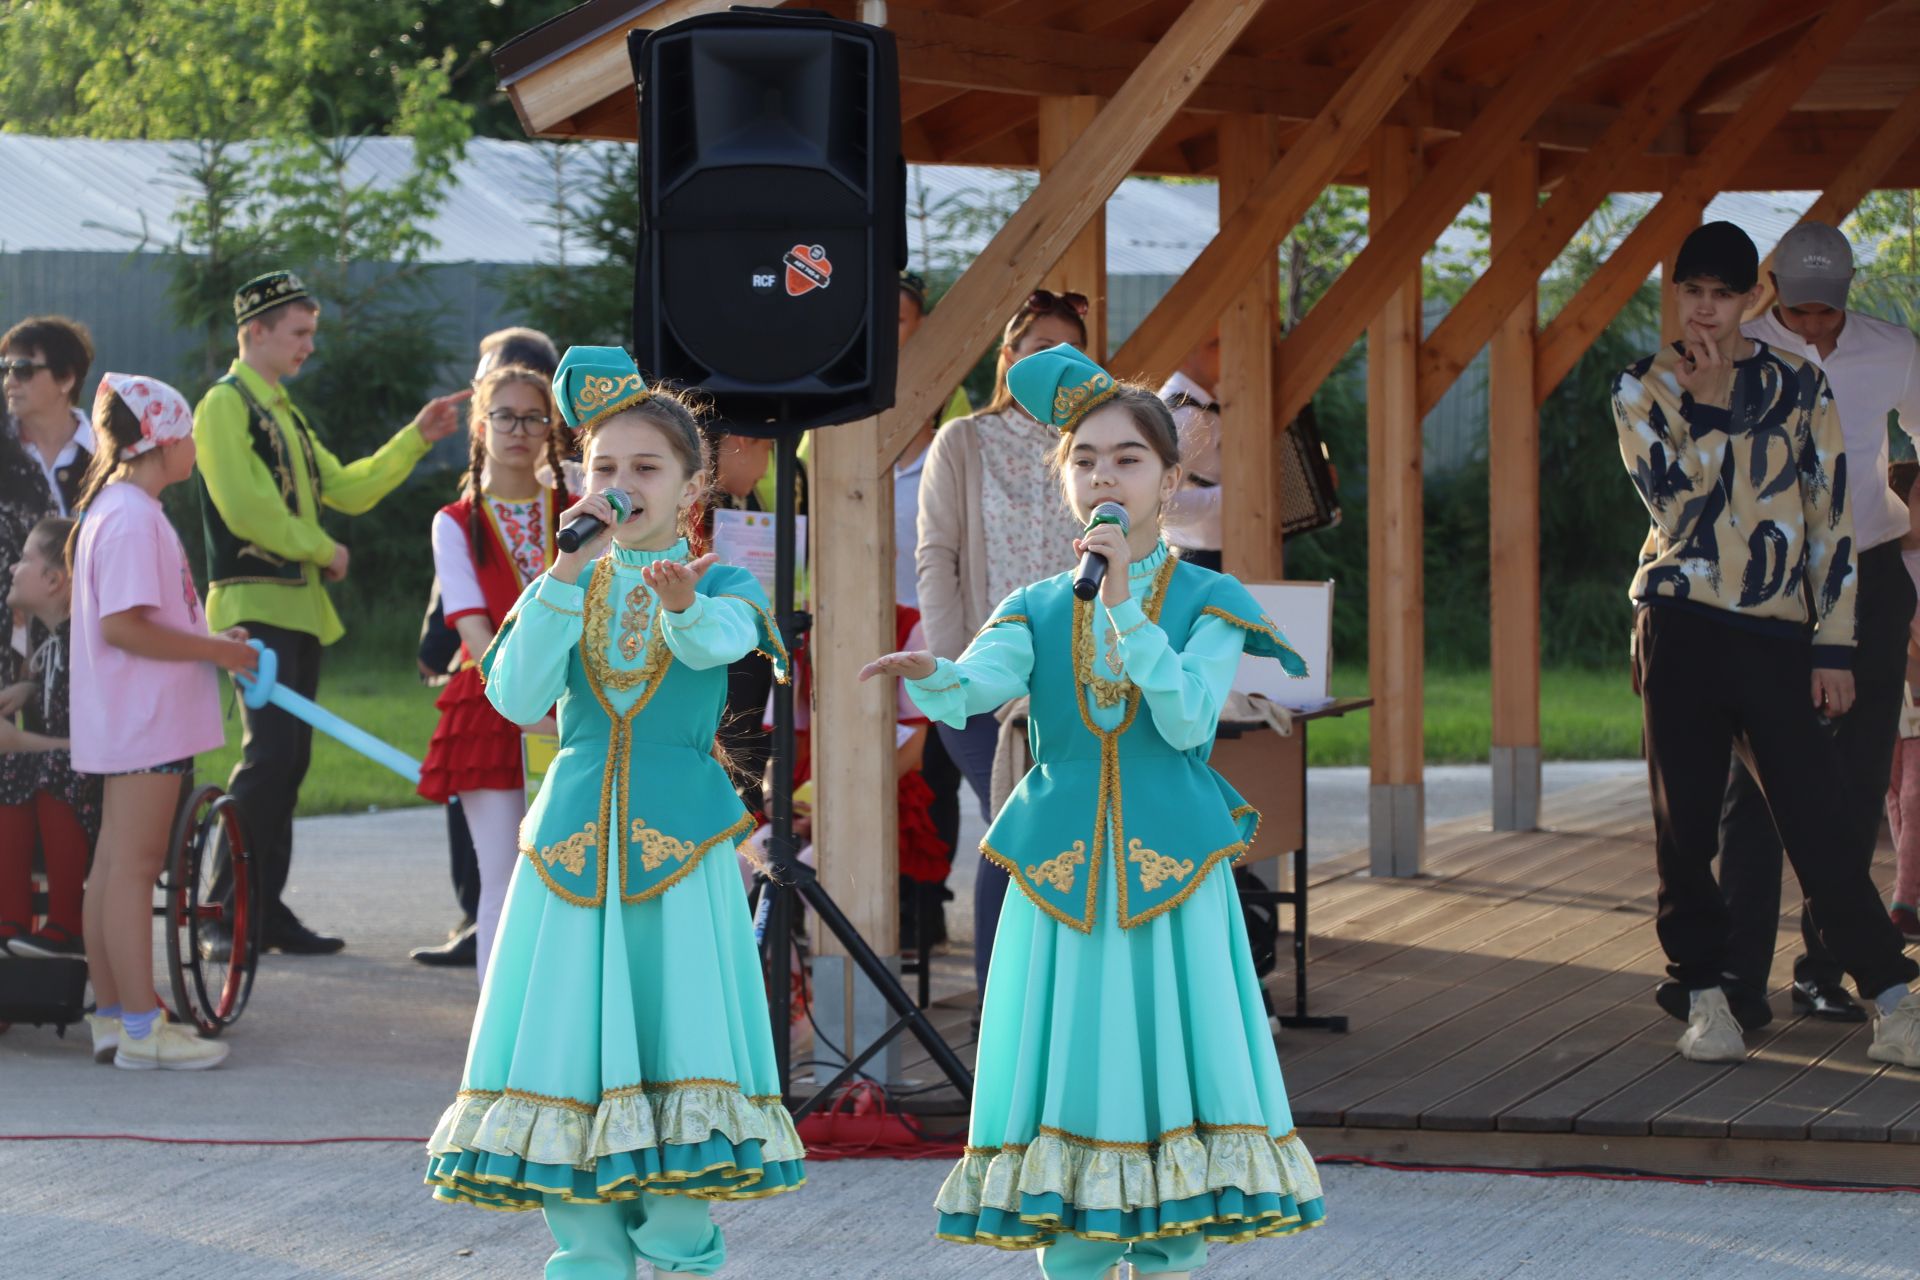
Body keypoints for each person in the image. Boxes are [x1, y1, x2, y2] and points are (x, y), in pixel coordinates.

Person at [866, 344, 1325, 1276]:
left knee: (1167, 1076)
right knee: (1066, 1076)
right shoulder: (1037, 603)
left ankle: (1164, 1248)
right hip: (1064, 879)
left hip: (1169, 878)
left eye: (1126, 458)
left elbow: (1190, 711)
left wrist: (1123, 607)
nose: (1103, 475)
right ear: (1062, 480)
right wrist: (939, 676)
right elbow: (985, 679)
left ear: (1169, 477)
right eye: (1084, 458)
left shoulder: (1206, 597)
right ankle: (1072, 1251)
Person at [425, 347, 804, 1276]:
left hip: (679, 848)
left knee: (679, 1045)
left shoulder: (722, 583)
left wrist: (675, 605)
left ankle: (677, 1245)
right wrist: (560, 577)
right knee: (567, 1046)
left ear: (690, 485)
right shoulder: (564, 583)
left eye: (645, 469)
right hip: (570, 847)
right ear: (576, 479)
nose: (620, 485)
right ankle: (587, 1255)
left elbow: (719, 646)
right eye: (602, 468)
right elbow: (514, 696)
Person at [1613, 220, 1920, 1067]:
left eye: (1724, 295)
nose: (1706, 312)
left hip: (1778, 631)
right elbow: (1677, 510)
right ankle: (1707, 996)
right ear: (1677, 295)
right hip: (1680, 623)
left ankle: (1890, 1001)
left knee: (1820, 817)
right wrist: (1707, 404)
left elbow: (1829, 524)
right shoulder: (1642, 389)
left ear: (1755, 299)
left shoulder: (1798, 385)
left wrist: (1834, 644)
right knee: (1687, 831)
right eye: (1693, 293)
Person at [193, 271, 469, 960]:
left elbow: (344, 487)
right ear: (254, 331)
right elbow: (245, 507)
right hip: (254, 611)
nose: (309, 346)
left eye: (310, 333)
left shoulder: (283, 409)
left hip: (297, 613)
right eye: (299, 333)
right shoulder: (225, 406)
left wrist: (415, 437)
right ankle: (227, 912)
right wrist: (322, 548)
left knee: (288, 762)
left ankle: (259, 907)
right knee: (272, 758)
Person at [1700, 221, 1920, 1025]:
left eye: (1829, 311)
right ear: (1773, 291)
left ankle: (1827, 967)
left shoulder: (1892, 348)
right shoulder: (1735, 346)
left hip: (1870, 572)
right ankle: (1736, 978)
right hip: (1768, 584)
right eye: (1801, 311)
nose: (1817, 326)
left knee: (1859, 779)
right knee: (1754, 780)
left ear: (1848, 295)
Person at [68, 374, 258, 1070]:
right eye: (191, 439)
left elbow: (146, 620)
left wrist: (212, 639)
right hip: (143, 723)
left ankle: (117, 1018)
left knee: (113, 869)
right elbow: (126, 627)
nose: (197, 452)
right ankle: (144, 1028)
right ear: (164, 441)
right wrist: (218, 650)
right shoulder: (131, 517)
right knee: (132, 871)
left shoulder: (120, 510)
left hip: (129, 721)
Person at [916, 288, 1088, 992]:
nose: (1053, 362)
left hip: (1072, 680)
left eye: (1069, 351)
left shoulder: (1091, 445)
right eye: (1038, 347)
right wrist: (965, 676)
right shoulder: (962, 440)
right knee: (1012, 817)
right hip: (984, 681)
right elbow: (937, 558)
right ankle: (1001, 1005)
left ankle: (1061, 997)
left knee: (1070, 828)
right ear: (1008, 358)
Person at [415, 363, 570, 983]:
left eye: (534, 417)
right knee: (505, 876)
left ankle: (565, 1029)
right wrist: (529, 711)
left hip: (581, 702)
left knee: (577, 873)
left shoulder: (576, 502)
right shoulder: (455, 521)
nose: (520, 430)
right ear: (480, 426)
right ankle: (495, 1046)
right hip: (495, 705)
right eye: (504, 416)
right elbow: (473, 631)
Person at [894, 270, 964, 947]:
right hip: (865, 624)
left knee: (934, 774)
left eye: (901, 320)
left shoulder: (952, 439)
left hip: (935, 625)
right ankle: (882, 896)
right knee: (874, 768)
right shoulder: (835, 436)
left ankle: (927, 900)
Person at [0, 516, 99, 960]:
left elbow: (92, 744)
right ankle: (10, 927)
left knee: (34, 764)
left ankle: (65, 924)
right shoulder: (52, 646)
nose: (12, 569)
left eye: (24, 559)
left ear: (55, 580)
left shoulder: (89, 646)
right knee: (17, 768)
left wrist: (18, 744)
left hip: (100, 791)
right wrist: (30, 689)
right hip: (64, 783)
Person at [1159, 328, 1224, 571]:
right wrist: (1232, 498)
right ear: (1184, 354)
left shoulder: (1213, 401)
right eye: (1215, 344)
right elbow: (1159, 506)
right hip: (1196, 561)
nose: (1227, 350)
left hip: (1210, 558)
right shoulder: (1185, 416)